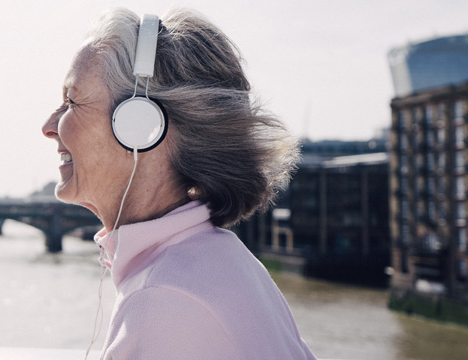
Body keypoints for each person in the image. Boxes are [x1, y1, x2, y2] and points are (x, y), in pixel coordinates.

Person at [42, 7, 316, 360]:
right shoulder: (228, 263)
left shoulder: (163, 302)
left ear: (138, 126)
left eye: (71, 101)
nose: (49, 125)